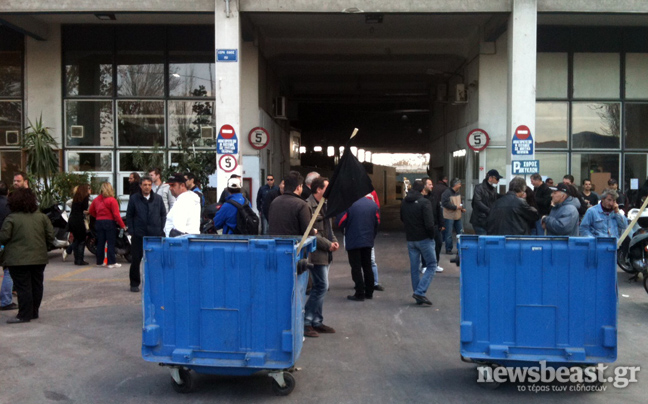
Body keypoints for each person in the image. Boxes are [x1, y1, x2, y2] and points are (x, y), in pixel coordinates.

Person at [0, 188, 54, 323]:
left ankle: (24, 314)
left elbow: (3, 237)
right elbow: (50, 236)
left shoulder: (11, 218)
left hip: (17, 259)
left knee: (23, 287)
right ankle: (34, 312)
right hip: (39, 257)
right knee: (37, 285)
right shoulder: (42, 217)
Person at [303, 177, 339, 337]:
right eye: (327, 187)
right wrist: (328, 244)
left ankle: (316, 322)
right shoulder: (308, 206)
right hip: (316, 253)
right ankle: (307, 321)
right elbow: (310, 231)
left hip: (326, 252)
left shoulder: (324, 204)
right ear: (318, 189)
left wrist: (335, 241)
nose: (329, 191)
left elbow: (328, 228)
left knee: (320, 287)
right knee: (322, 286)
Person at [126, 175, 166, 293]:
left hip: (154, 235)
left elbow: (163, 214)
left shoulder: (158, 199)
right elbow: (129, 215)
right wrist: (132, 231)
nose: (147, 187)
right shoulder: (134, 199)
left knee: (154, 260)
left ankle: (154, 283)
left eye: (149, 185)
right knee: (136, 260)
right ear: (140, 186)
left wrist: (160, 229)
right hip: (139, 235)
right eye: (145, 185)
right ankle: (134, 283)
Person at [400, 180, 436, 306]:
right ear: (422, 190)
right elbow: (429, 224)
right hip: (424, 239)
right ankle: (420, 292)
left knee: (414, 268)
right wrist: (432, 236)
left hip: (411, 239)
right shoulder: (425, 202)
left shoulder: (404, 202)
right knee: (432, 265)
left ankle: (417, 294)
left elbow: (402, 218)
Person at [340, 195, 378, 302]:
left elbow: (340, 222)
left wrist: (345, 231)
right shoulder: (373, 205)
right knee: (367, 265)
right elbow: (377, 222)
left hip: (353, 240)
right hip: (368, 240)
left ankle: (359, 292)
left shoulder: (348, 205)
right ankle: (369, 292)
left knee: (356, 267)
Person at [89, 182, 127, 268]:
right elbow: (116, 215)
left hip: (98, 222)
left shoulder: (96, 200)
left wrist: (98, 216)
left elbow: (91, 211)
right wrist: (122, 225)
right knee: (111, 243)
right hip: (109, 222)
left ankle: (99, 262)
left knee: (100, 243)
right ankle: (111, 262)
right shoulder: (112, 200)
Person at [268, 171, 313, 236]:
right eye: (301, 186)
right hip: (295, 244)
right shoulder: (302, 205)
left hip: (275, 244)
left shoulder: (274, 202)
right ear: (298, 187)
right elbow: (308, 231)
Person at [63, 184, 91, 266]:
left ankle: (76, 259)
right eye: (88, 188)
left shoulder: (76, 198)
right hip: (79, 220)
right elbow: (85, 209)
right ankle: (80, 259)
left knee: (76, 239)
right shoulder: (85, 198)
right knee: (81, 240)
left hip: (72, 220)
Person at [422, 177, 445, 272]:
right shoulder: (421, 198)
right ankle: (424, 265)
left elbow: (439, 210)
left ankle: (435, 264)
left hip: (435, 225)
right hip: (424, 226)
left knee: (438, 243)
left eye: (432, 184)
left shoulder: (434, 196)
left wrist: (441, 223)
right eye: (429, 184)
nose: (432, 186)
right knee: (425, 246)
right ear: (424, 186)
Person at [470, 169, 502, 235]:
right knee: (483, 240)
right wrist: (490, 211)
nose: (498, 181)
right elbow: (478, 202)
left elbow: (497, 197)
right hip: (479, 221)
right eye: (497, 178)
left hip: (489, 220)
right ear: (490, 178)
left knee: (489, 241)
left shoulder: (493, 190)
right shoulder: (479, 188)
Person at [0, 181, 16, 311]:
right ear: (8, 192)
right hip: (5, 241)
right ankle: (5, 301)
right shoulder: (9, 206)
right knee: (8, 271)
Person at [441, 178, 465, 260]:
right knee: (449, 233)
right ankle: (448, 249)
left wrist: (462, 208)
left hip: (458, 215)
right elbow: (444, 203)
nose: (460, 185)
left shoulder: (458, 192)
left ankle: (461, 248)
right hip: (449, 216)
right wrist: (455, 207)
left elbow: (460, 202)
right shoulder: (446, 193)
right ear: (455, 185)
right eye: (459, 184)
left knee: (460, 232)